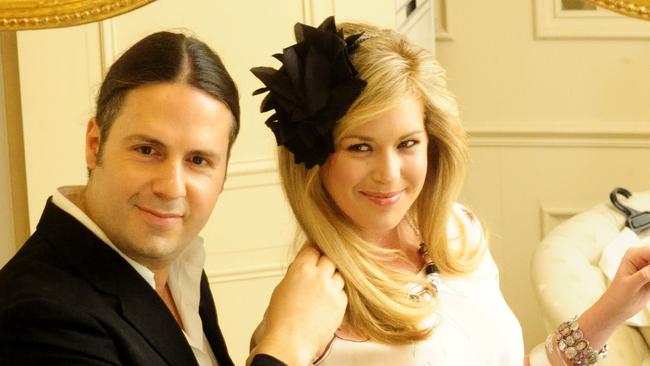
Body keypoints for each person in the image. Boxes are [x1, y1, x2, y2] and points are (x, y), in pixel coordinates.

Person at [249, 17, 650, 365]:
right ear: (315, 157)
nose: (389, 174)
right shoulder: (312, 302)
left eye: (407, 143)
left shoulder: (456, 232)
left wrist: (615, 307)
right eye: (360, 147)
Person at [0, 31, 347, 366]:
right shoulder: (36, 315)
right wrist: (287, 348)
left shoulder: (178, 269)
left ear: (223, 172)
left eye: (198, 160)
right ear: (95, 145)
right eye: (147, 150)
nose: (171, 187)